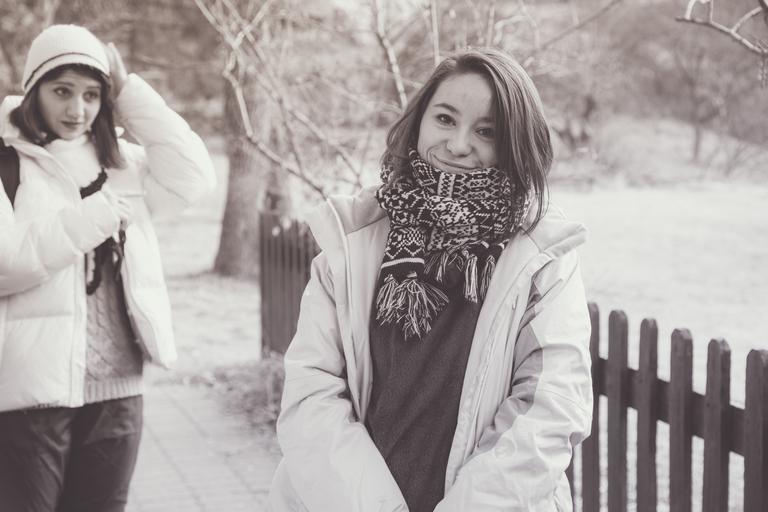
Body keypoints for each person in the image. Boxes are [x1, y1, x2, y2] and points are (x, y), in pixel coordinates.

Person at [268, 47, 593, 512]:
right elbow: (312, 394)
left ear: (516, 143)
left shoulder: (542, 255)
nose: (458, 144)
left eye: (486, 131)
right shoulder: (352, 240)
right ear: (419, 122)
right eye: (445, 119)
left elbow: (549, 408)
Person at [0, 24, 215, 511]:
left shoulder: (123, 164)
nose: (77, 109)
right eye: (62, 91)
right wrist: (93, 217)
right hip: (30, 396)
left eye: (92, 95)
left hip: (117, 389)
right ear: (33, 91)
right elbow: (5, 263)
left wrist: (131, 91)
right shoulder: (7, 165)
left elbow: (195, 177)